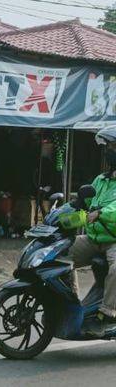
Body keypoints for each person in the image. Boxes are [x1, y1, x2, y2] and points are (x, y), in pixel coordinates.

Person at [77, 126, 116, 336]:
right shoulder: (101, 180)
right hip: (94, 238)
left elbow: (114, 209)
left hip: (114, 241)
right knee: (61, 253)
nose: (109, 150)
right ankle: (70, 300)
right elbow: (84, 200)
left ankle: (108, 315)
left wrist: (101, 213)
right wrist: (73, 206)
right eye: (108, 146)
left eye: (113, 146)